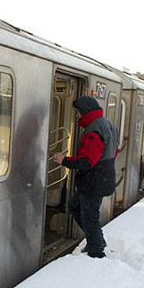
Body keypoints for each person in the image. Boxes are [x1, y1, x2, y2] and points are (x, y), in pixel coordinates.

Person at [52, 96, 117, 259]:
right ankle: (97, 240)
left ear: (85, 111)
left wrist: (64, 160)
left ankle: (96, 252)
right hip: (102, 177)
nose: (76, 116)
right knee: (75, 206)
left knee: (90, 217)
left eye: (77, 112)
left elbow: (88, 161)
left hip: (94, 181)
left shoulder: (93, 131)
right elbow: (114, 151)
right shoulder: (107, 124)